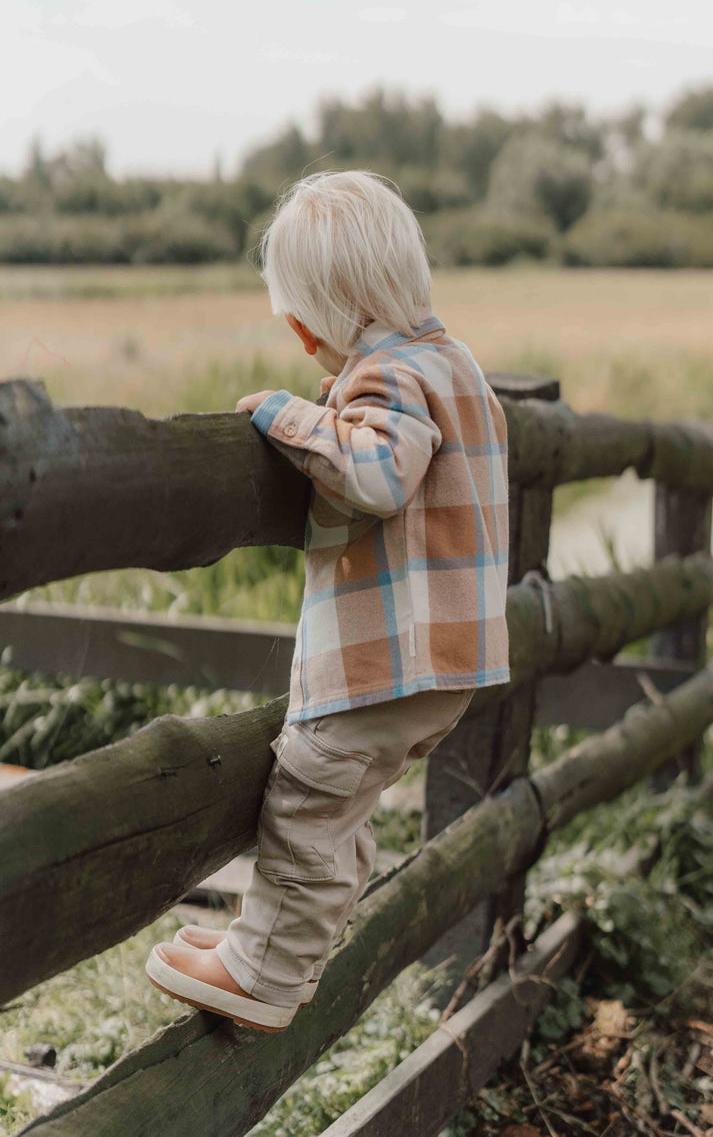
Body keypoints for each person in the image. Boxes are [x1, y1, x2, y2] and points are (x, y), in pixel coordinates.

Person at [145, 170, 510, 1031]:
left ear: (333, 309)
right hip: (446, 663)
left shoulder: (387, 378)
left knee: (307, 796)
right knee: (341, 807)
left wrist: (287, 417)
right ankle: (277, 951)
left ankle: (266, 976)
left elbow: (380, 476)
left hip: (391, 659)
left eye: (302, 326)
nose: (303, 345)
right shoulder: (457, 367)